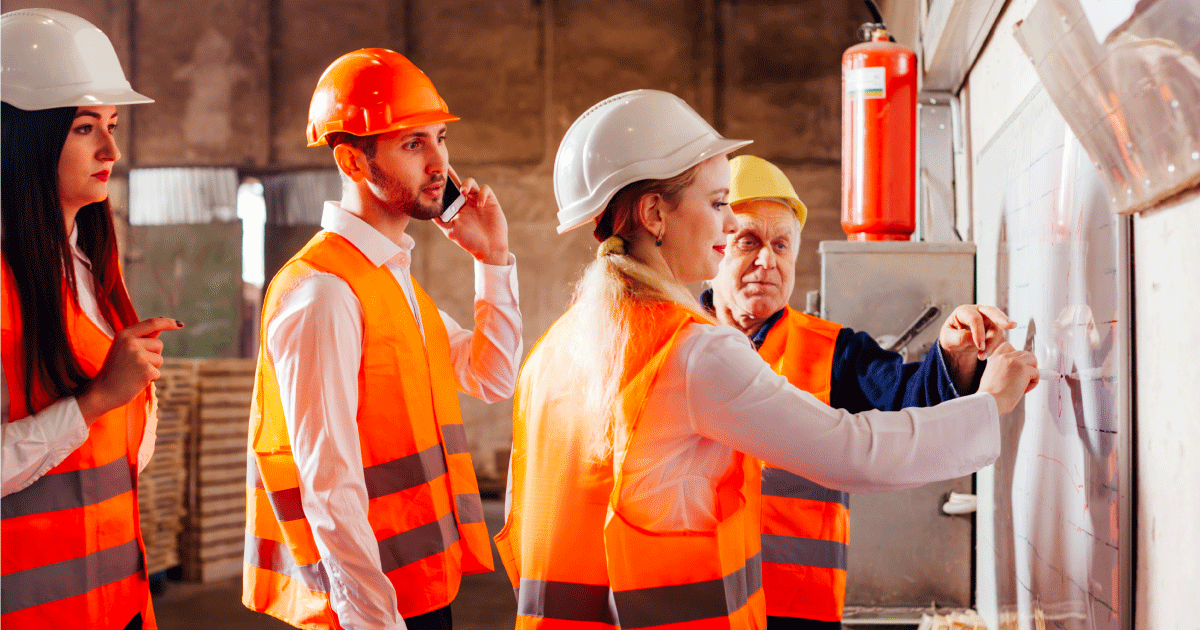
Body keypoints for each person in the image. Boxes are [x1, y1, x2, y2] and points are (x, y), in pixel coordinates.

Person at [494, 89, 1039, 629]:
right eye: (716, 205)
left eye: (780, 244)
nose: (729, 227)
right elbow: (857, 452)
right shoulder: (691, 351)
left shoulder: (552, 354)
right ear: (655, 213)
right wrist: (991, 403)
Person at [243, 49, 522, 630]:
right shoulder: (325, 293)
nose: (440, 163)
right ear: (351, 160)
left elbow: (493, 377)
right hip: (371, 609)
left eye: (440, 139)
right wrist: (374, 619)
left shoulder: (391, 283)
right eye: (413, 144)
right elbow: (329, 484)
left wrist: (492, 259)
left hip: (419, 591)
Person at [707, 155, 1015, 629]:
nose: (767, 260)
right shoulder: (677, 347)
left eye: (782, 245)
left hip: (797, 615)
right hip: (703, 611)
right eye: (747, 241)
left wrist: (954, 350)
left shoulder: (833, 352)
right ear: (713, 247)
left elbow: (911, 398)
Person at [1, 8, 184, 630]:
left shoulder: (93, 268)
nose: (112, 148)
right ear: (22, 138)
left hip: (118, 598)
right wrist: (97, 399)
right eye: (84, 128)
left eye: (110, 124)